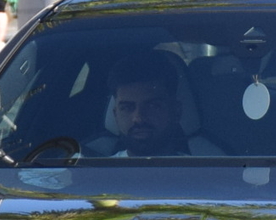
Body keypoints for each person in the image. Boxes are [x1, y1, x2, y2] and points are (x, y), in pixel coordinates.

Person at [86, 50, 223, 156]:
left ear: (176, 111)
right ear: (115, 115)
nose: (138, 118)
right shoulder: (91, 178)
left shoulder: (208, 176)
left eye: (152, 106)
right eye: (127, 108)